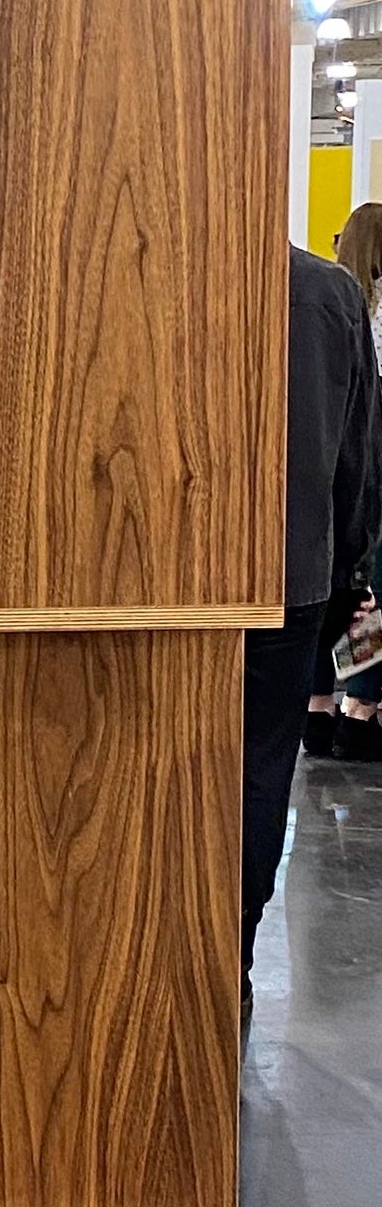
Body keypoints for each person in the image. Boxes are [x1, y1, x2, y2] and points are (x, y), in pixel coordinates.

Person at [245, 239, 382, 1006]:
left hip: (164, 580)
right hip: (293, 571)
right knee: (260, 770)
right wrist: (352, 569)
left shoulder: (151, 263)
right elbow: (358, 450)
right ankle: (229, 953)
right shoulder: (329, 294)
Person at [306, 205, 382, 762]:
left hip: (327, 466)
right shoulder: (370, 309)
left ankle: (317, 707)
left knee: (334, 589)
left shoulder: (328, 299)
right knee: (372, 599)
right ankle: (361, 705)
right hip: (373, 467)